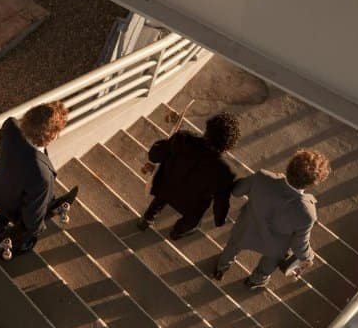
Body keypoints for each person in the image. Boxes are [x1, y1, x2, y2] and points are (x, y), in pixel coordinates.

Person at [212, 149, 330, 289]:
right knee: (270, 262)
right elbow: (300, 243)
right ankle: (256, 280)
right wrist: (308, 258)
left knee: (233, 246)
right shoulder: (308, 213)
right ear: (313, 183)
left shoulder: (262, 177)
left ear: (290, 166)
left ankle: (221, 267)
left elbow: (237, 192)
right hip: (274, 246)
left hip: (246, 229)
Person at [0, 102, 77, 255]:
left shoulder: (10, 125)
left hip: (0, 190)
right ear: (51, 136)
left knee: (6, 211)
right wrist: (36, 229)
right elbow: (33, 217)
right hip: (18, 206)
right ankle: (20, 245)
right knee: (25, 230)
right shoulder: (41, 173)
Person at [136, 112, 241, 240]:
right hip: (191, 205)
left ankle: (146, 219)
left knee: (161, 197)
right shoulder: (226, 172)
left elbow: (154, 155)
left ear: (208, 128)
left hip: (166, 187)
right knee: (193, 220)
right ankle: (177, 232)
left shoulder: (183, 139)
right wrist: (220, 220)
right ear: (227, 146)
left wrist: (165, 143)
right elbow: (221, 201)